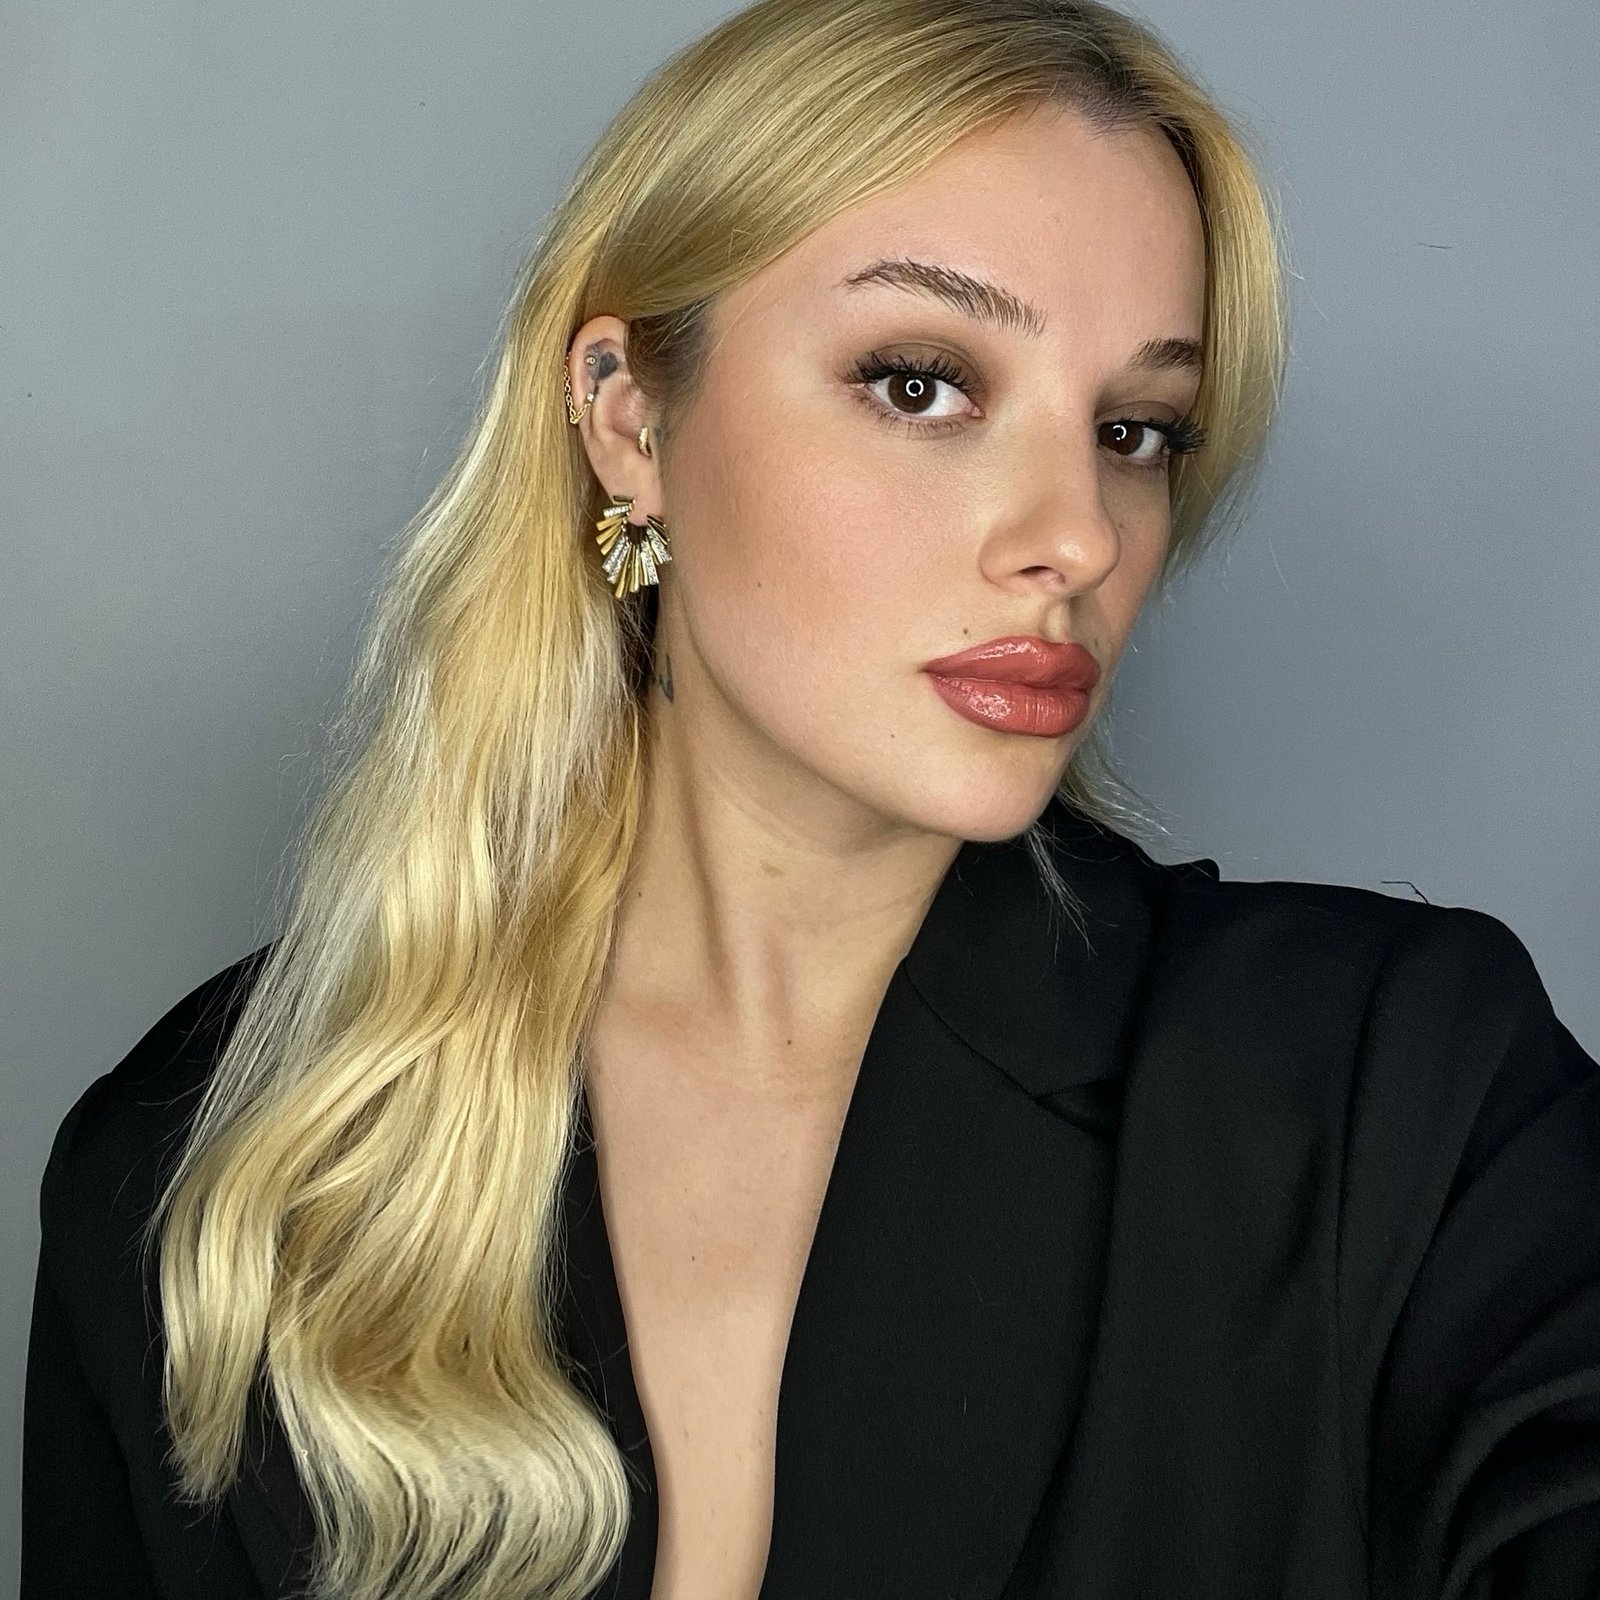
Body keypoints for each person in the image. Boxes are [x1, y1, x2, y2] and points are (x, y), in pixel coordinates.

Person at [21, 0, 1600, 1596]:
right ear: (629, 418)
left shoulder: (1401, 1102)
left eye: (1135, 430)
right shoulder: (209, 1180)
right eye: (923, 385)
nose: (1078, 535)